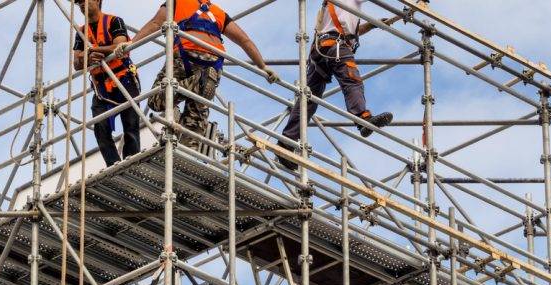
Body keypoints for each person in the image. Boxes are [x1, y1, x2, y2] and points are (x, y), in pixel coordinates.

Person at [126, 0, 279, 149]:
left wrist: (131, 44)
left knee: (156, 101)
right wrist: (263, 66)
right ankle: (187, 153)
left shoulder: (177, 2)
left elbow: (155, 23)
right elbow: (244, 40)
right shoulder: (219, 13)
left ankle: (200, 81)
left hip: (185, 55)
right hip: (214, 63)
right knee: (195, 121)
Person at [276, 0, 401, 170]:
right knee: (352, 80)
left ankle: (286, 143)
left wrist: (372, 25)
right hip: (336, 47)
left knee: (308, 100)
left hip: (320, 51)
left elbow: (349, 32)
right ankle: (362, 119)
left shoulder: (337, 6)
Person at [73, 0, 141, 167]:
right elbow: (76, 63)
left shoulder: (114, 21)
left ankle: (131, 163)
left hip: (123, 79)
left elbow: (121, 45)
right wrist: (88, 58)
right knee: (100, 127)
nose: (82, 5)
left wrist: (94, 51)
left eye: (85, 1)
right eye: (79, 3)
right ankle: (114, 164)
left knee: (131, 124)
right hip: (101, 86)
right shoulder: (81, 32)